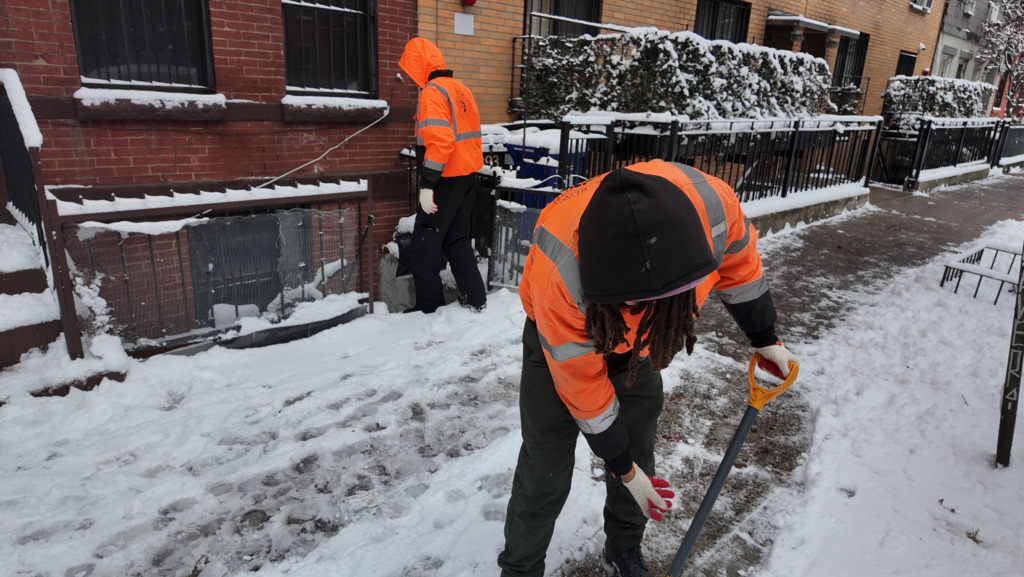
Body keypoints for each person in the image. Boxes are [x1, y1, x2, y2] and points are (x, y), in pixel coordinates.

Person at [497, 159, 798, 577]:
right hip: (560, 347)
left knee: (639, 444)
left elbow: (740, 267)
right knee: (544, 466)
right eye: (625, 303)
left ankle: (624, 547)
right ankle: (520, 569)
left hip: (641, 347)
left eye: (642, 302)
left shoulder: (714, 209)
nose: (632, 310)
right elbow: (584, 387)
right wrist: (620, 467)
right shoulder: (563, 272)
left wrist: (764, 335)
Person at [398, 37, 487, 313]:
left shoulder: (431, 93)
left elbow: (441, 141)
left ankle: (429, 309)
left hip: (444, 179)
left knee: (425, 244)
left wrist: (427, 184)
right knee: (457, 239)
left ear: (419, 67)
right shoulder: (461, 89)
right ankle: (476, 300)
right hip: (467, 176)